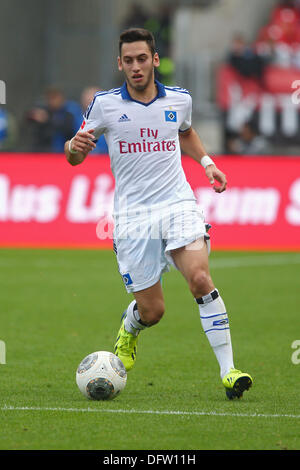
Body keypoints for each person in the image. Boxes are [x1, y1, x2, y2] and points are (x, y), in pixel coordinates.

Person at [64, 28, 253, 400]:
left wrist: (207, 163)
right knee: (153, 311)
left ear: (154, 59)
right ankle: (130, 328)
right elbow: (75, 155)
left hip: (177, 204)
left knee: (200, 278)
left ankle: (229, 371)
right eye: (128, 60)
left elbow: (184, 132)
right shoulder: (104, 105)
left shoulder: (180, 99)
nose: (135, 67)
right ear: (120, 63)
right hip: (133, 218)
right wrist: (74, 145)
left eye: (141, 58)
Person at [26, 86, 75, 152]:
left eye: (55, 98)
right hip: (41, 151)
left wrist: (47, 119)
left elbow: (67, 130)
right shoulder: (43, 110)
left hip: (61, 151)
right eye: (50, 98)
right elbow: (28, 118)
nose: (52, 101)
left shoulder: (68, 115)